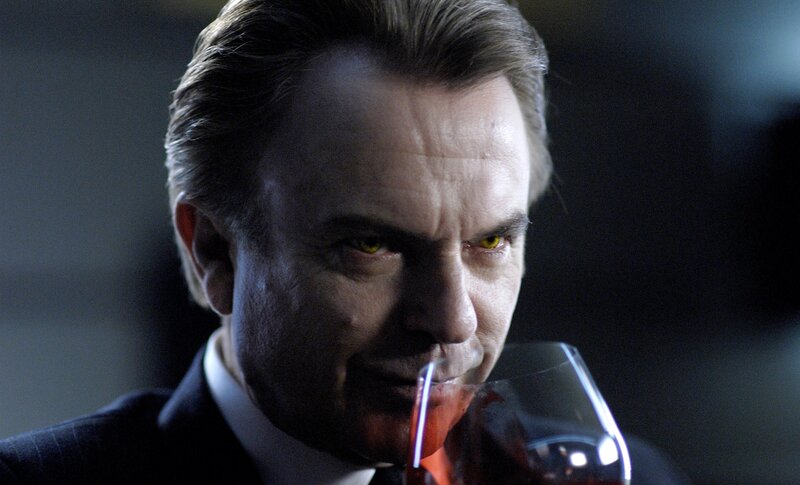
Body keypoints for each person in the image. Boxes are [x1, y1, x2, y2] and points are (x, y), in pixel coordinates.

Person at [0, 0, 688, 483]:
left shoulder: (626, 476)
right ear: (214, 250)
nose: (453, 320)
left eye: (489, 240)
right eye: (371, 246)